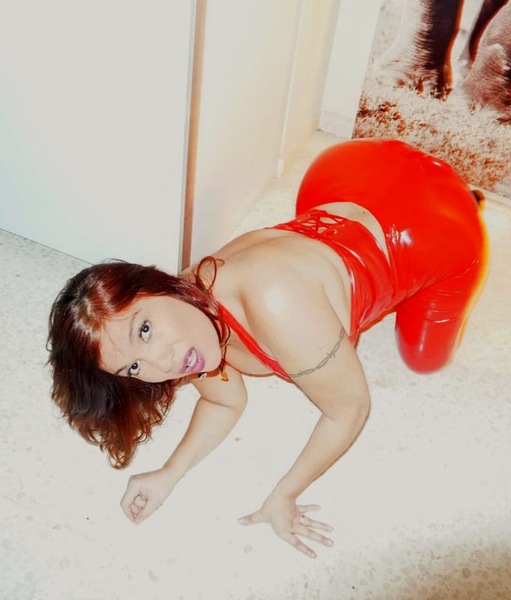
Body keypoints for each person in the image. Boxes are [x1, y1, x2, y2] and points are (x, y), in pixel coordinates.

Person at [47, 138, 488, 559]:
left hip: (430, 227)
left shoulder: (276, 302)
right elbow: (224, 401)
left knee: (425, 360)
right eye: (133, 368)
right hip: (346, 174)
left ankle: (468, 200)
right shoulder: (186, 314)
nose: (161, 363)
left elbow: (349, 409)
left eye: (143, 330)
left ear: (156, 285)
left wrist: (284, 495)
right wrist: (169, 473)